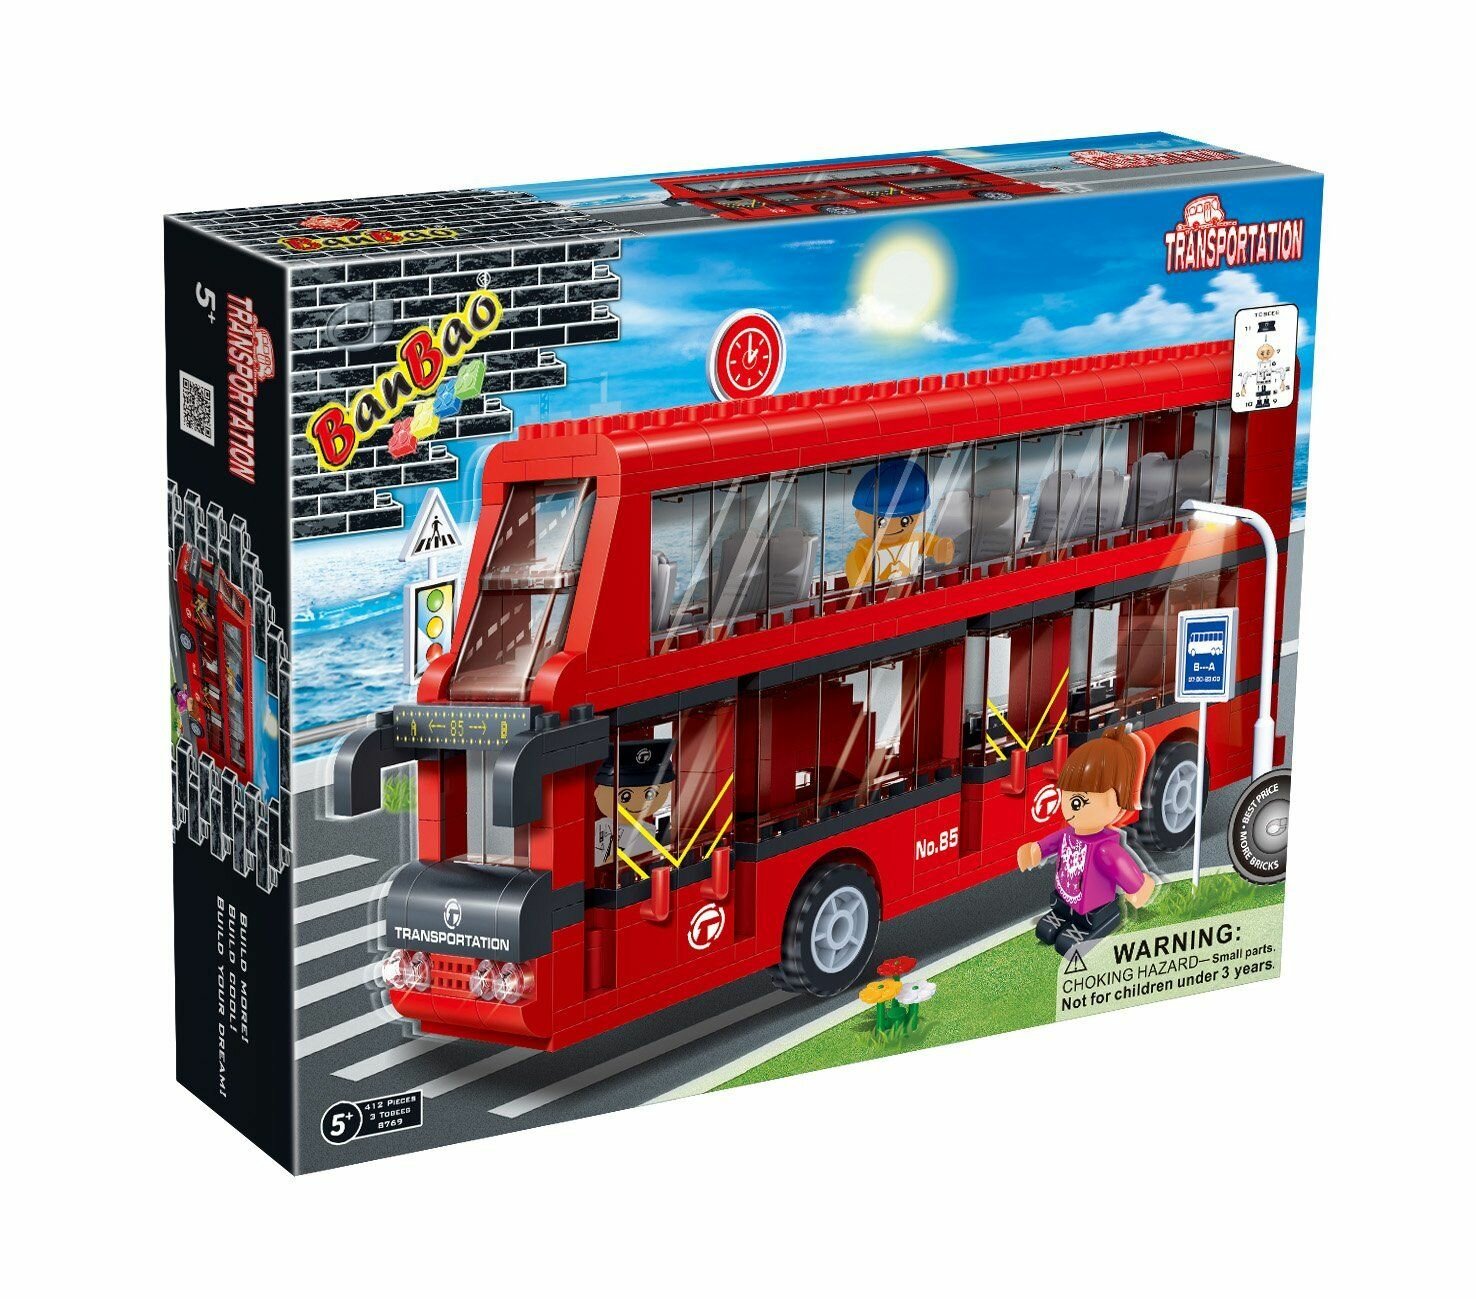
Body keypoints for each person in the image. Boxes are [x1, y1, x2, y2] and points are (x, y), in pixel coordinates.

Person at [1017, 727, 1156, 954]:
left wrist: (1137, 886)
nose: (1068, 808)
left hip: (1094, 907)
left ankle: (1088, 925)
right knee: (1048, 928)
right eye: (1066, 796)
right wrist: (1036, 850)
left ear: (1112, 800)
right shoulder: (1069, 834)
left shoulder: (1104, 849)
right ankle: (1062, 914)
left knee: (1067, 941)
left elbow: (1121, 865)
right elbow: (1051, 844)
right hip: (1065, 896)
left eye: (1078, 801)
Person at [844, 458, 954, 589]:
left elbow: (929, 542)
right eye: (881, 521)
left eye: (905, 521)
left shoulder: (913, 540)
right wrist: (862, 588)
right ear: (858, 515)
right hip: (879, 597)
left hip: (910, 592)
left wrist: (940, 548)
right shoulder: (863, 552)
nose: (892, 526)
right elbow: (857, 580)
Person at [593, 739, 675, 877]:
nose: (637, 803)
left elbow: (620, 861)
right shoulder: (599, 825)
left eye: (650, 794)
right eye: (625, 796)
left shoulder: (645, 832)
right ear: (597, 792)